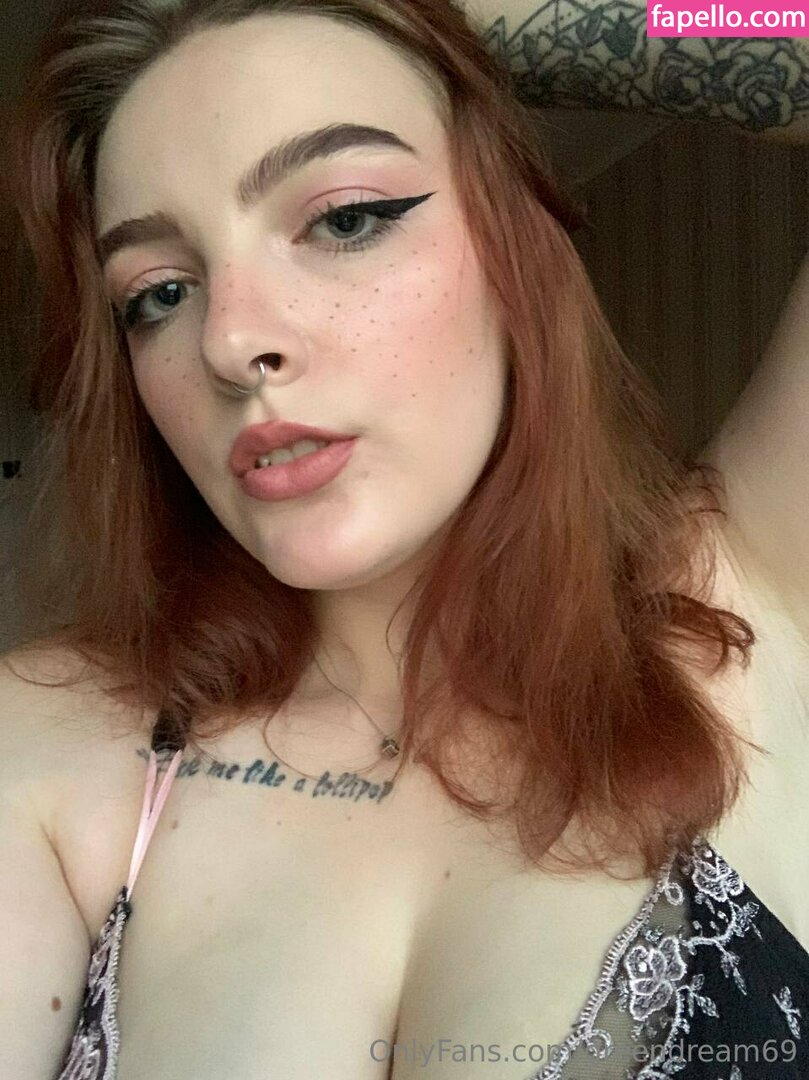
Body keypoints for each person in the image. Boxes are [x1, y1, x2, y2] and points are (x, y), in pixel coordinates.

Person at [1, 1, 807, 1078]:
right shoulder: (53, 742)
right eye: (161, 292)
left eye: (345, 219)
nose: (229, 339)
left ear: (514, 242)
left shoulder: (748, 600)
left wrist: (429, 28)